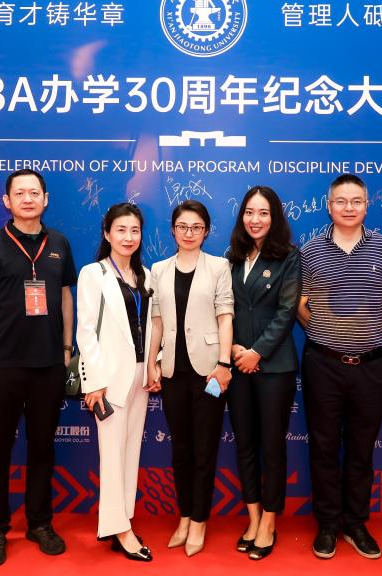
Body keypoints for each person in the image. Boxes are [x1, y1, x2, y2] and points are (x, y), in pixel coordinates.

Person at [0, 169, 76, 567]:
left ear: (45, 199)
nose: (28, 199)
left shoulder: (59, 243)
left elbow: (65, 298)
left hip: (48, 365)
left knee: (43, 449)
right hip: (3, 365)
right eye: (20, 193)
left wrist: (66, 350)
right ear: (7, 201)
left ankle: (39, 523)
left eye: (35, 193)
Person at [297, 173, 382, 560]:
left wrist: (362, 331)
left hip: (370, 366)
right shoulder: (310, 250)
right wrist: (326, 331)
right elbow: (300, 304)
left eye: (356, 201)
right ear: (329, 206)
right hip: (322, 364)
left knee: (361, 449)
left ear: (367, 206)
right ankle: (327, 524)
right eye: (340, 201)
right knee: (323, 447)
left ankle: (355, 523)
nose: (348, 207)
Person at [146, 199, 234, 557]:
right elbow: (156, 322)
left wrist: (224, 363)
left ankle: (199, 520)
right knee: (181, 449)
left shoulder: (219, 266)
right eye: (182, 226)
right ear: (172, 230)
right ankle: (184, 516)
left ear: (206, 231)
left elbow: (225, 316)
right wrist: (151, 362)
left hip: (209, 372)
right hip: (172, 373)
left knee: (204, 449)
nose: (189, 233)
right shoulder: (159, 269)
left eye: (196, 227)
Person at [76, 203, 156, 562]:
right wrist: (94, 381)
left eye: (134, 230)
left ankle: (122, 519)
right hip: (108, 380)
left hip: (140, 376)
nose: (128, 237)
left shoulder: (146, 275)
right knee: (111, 455)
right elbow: (86, 331)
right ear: (107, 233)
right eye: (121, 230)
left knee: (130, 452)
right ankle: (119, 529)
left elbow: (152, 326)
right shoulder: (93, 274)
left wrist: (153, 365)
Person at [226, 186, 300, 560]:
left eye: (264, 213)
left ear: (275, 217)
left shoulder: (288, 256)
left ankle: (270, 521)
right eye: (249, 212)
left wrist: (256, 352)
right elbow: (225, 308)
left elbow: (287, 312)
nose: (255, 220)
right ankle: (253, 517)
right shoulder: (232, 257)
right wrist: (234, 349)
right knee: (245, 443)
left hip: (274, 367)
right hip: (237, 364)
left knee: (271, 445)